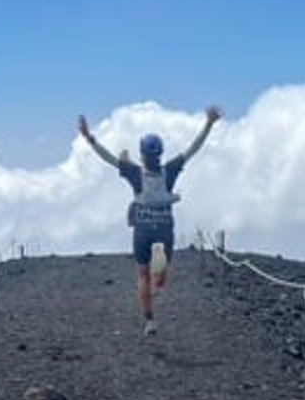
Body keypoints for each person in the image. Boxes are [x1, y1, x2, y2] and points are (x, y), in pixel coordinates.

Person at [77, 105, 222, 335]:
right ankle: (161, 274)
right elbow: (192, 149)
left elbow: (108, 158)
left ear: (142, 155)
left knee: (142, 274)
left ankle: (150, 321)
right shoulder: (170, 171)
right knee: (160, 276)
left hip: (142, 229)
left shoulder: (135, 173)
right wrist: (208, 124)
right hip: (164, 227)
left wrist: (88, 137)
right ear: (160, 153)